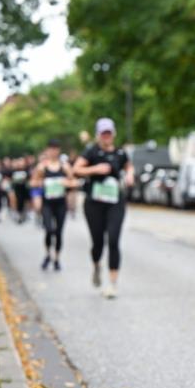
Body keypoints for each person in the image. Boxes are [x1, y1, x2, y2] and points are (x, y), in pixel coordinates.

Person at [73, 118, 135, 298]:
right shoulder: (91, 151)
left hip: (115, 201)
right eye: (103, 133)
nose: (106, 136)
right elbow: (76, 170)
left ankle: (113, 284)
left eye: (109, 133)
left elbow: (129, 167)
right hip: (94, 203)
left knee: (114, 240)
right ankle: (96, 265)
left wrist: (130, 175)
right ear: (98, 135)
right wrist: (94, 169)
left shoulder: (121, 152)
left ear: (113, 134)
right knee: (98, 243)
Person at [33, 140, 76, 271]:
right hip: (47, 203)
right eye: (51, 149)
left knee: (58, 232)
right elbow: (33, 183)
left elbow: (74, 182)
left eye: (55, 148)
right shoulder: (41, 167)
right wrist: (41, 187)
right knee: (48, 229)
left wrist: (66, 183)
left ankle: (57, 258)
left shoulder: (65, 166)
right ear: (47, 150)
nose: (53, 151)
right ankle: (47, 255)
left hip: (60, 203)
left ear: (58, 150)